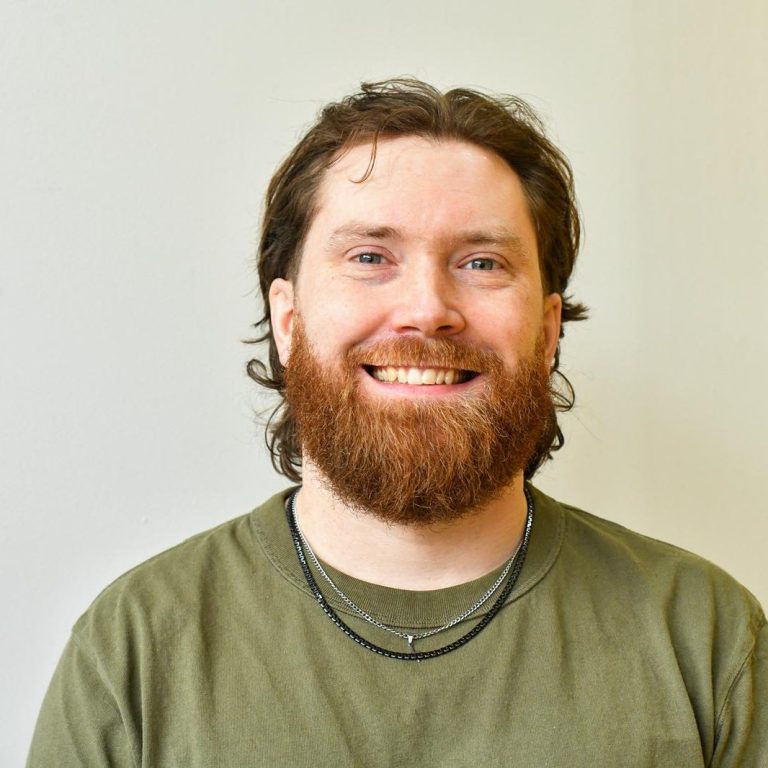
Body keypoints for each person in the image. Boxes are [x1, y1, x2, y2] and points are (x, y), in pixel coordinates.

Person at [28, 78, 766, 767]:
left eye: (481, 263)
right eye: (370, 256)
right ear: (288, 319)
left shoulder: (708, 640)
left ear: (547, 331)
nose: (426, 309)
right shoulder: (132, 649)